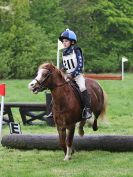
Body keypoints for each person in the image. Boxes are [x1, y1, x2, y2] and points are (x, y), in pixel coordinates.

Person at [58, 28, 92, 119]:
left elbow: (80, 65)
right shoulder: (64, 52)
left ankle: (87, 109)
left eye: (66, 41)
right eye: (63, 41)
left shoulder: (76, 50)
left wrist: (72, 75)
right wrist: (62, 70)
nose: (64, 43)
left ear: (72, 42)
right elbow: (64, 66)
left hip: (77, 75)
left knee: (82, 87)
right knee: (57, 87)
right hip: (67, 76)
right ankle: (54, 110)